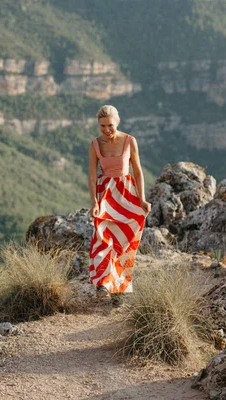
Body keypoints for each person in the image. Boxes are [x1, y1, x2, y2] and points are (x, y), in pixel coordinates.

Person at [88, 105, 151, 302]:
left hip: (126, 193)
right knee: (102, 237)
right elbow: (91, 176)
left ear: (118, 122)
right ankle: (103, 284)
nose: (107, 130)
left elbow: (137, 171)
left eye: (110, 125)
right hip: (106, 193)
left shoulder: (130, 141)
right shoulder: (95, 144)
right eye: (102, 126)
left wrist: (142, 199)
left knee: (124, 241)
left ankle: (119, 286)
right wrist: (94, 202)